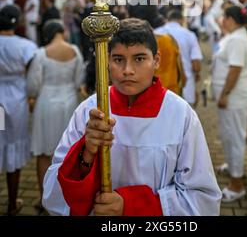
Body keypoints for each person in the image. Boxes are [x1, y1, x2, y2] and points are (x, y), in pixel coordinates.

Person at [42, 18, 221, 216]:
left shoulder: (180, 114)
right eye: (118, 59)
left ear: (156, 60)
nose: (127, 70)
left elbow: (202, 198)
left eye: (139, 58)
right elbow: (54, 191)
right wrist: (87, 152)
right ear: (107, 60)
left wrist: (130, 205)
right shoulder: (90, 110)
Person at [26, 19, 84, 210]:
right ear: (61, 31)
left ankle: (44, 199)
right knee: (68, 152)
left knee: (44, 153)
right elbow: (78, 81)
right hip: (69, 104)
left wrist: (32, 98)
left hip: (46, 104)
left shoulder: (41, 54)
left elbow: (33, 85)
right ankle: (64, 197)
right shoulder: (75, 51)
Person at [212, 6, 247, 203]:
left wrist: (225, 93)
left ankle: (237, 185)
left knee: (235, 136)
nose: (221, 20)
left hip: (234, 95)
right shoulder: (234, 35)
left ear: (230, 19)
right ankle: (232, 165)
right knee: (229, 134)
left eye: (223, 17)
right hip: (231, 94)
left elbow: (235, 69)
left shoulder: (237, 39)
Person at [0, 5, 37, 215]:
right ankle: (12, 203)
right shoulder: (26, 46)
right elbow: (32, 71)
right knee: (13, 144)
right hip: (16, 101)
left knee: (0, 140)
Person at [155, 10, 203, 107]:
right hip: (186, 86)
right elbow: (196, 64)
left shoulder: (156, 33)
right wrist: (196, 75)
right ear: (182, 20)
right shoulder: (190, 35)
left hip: (161, 87)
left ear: (167, 20)